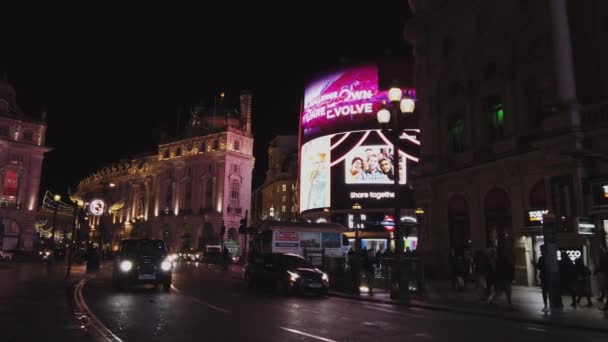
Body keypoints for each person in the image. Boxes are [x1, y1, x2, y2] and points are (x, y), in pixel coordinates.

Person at [533, 244, 550, 312]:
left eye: (541, 250)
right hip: (546, 276)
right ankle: (546, 305)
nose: (540, 251)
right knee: (546, 292)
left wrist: (534, 264)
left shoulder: (542, 258)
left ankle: (546, 305)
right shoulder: (546, 258)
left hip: (545, 276)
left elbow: (539, 267)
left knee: (545, 292)